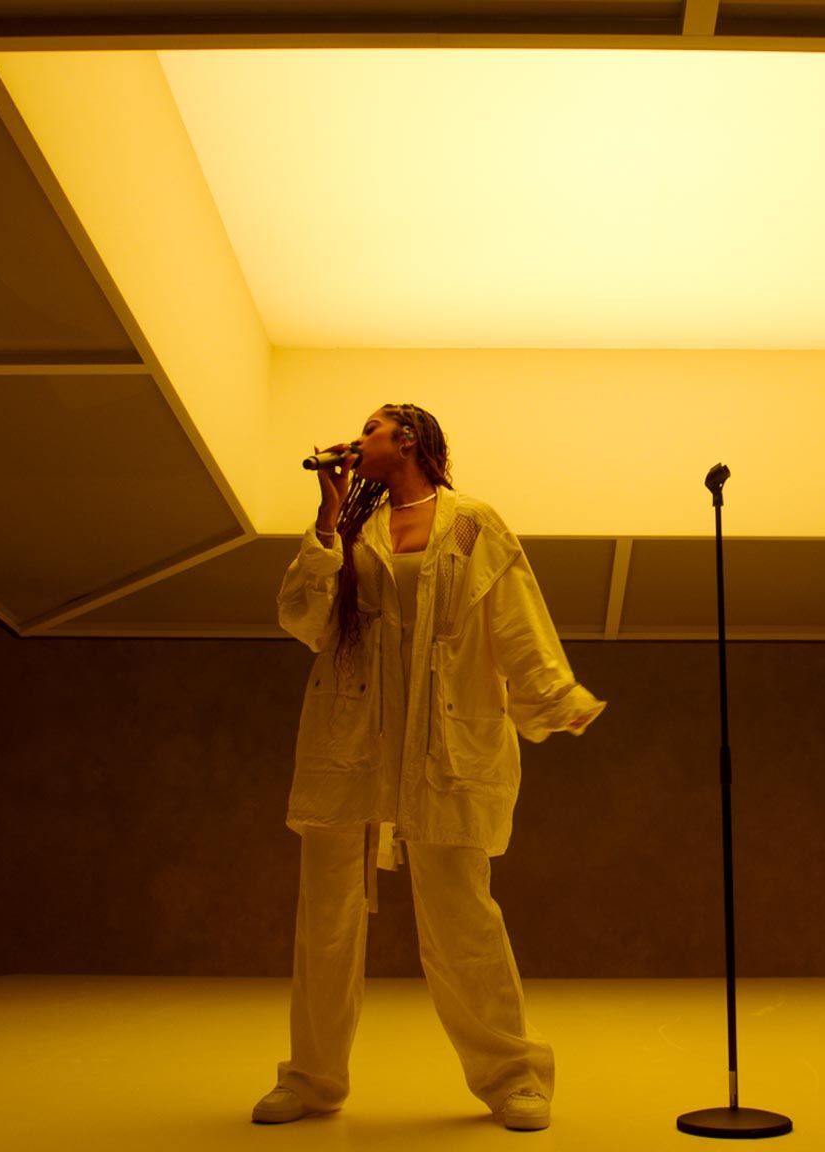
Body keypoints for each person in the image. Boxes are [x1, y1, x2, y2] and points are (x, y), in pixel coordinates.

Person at [254, 402, 608, 1132]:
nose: (358, 439)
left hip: (443, 742)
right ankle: (312, 1079)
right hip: (351, 740)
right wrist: (326, 518)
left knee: (461, 918)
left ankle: (515, 1076)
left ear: (409, 439)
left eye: (372, 429)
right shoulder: (352, 527)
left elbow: (515, 617)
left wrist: (552, 695)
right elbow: (304, 619)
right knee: (325, 917)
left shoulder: (473, 524)